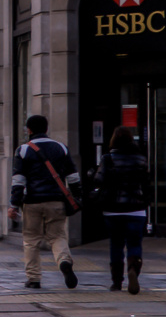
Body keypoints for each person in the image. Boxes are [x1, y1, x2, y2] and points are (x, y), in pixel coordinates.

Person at [10, 114, 81, 289]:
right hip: (56, 200)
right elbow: (72, 176)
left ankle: (34, 278)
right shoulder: (61, 148)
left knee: (31, 240)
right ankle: (64, 261)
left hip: (32, 201)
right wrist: (77, 196)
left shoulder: (23, 150)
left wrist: (14, 204)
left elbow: (18, 180)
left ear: (29, 130)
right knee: (57, 236)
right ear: (46, 129)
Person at [90, 126, 154, 293]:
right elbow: (147, 183)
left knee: (116, 244)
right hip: (136, 208)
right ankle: (133, 268)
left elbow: (99, 180)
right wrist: (146, 202)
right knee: (134, 243)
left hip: (113, 209)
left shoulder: (108, 158)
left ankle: (116, 282)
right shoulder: (141, 159)